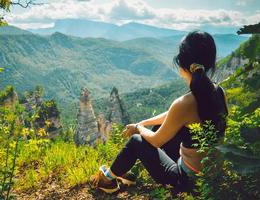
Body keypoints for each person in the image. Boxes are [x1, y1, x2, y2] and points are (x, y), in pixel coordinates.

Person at [90, 31, 228, 194]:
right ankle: (124, 172)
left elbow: (155, 141)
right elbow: (174, 116)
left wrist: (138, 128)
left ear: (182, 63)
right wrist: (144, 123)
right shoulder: (218, 91)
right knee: (156, 128)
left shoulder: (184, 103)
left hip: (186, 180)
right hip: (210, 174)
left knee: (137, 140)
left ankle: (107, 180)